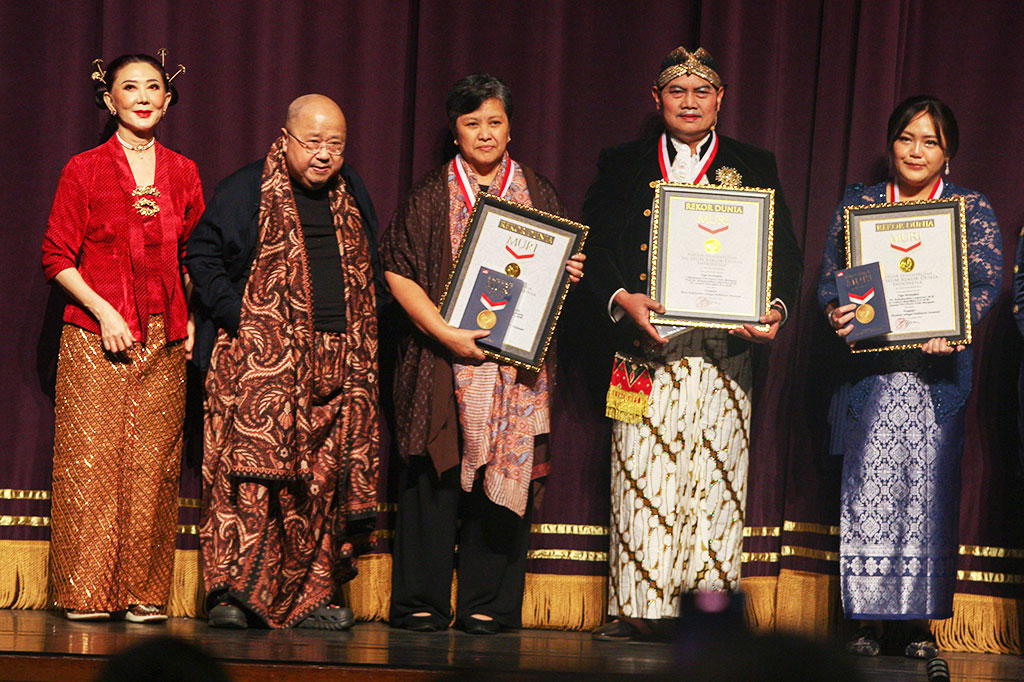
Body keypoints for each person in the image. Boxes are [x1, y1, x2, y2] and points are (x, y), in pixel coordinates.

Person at [583, 46, 803, 641]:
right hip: (642, 350)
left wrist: (774, 308)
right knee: (639, 478)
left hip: (723, 353)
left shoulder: (753, 163)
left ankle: (706, 614)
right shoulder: (623, 162)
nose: (688, 101)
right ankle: (637, 610)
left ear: (720, 100)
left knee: (716, 480)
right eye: (676, 91)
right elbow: (596, 249)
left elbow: (783, 252)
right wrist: (621, 299)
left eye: (700, 91)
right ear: (656, 101)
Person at [382, 74, 585, 635]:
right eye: (472, 124)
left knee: (503, 479)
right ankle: (419, 601)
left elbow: (558, 274)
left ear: (510, 126)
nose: (485, 133)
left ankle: (488, 604)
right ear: (455, 132)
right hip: (440, 361)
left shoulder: (539, 193)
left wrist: (569, 272)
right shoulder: (428, 195)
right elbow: (396, 270)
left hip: (514, 371)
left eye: (494, 122)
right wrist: (444, 334)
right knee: (434, 476)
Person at [185, 94, 382, 630]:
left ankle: (308, 599)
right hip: (259, 364)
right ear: (287, 137)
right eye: (313, 142)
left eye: (336, 144)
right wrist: (242, 318)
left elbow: (372, 270)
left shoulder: (352, 190)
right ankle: (230, 594)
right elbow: (200, 255)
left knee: (318, 486)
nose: (325, 155)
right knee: (248, 483)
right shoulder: (246, 187)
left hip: (338, 362)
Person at [817, 95, 1002, 658]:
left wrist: (957, 327)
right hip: (871, 379)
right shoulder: (861, 204)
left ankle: (919, 623)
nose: (916, 151)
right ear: (890, 142)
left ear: (949, 152)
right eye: (906, 137)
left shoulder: (969, 207)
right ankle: (867, 622)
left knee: (928, 494)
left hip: (936, 379)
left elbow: (987, 281)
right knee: (867, 491)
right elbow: (831, 278)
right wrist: (835, 309)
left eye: (930, 141)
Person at [40, 53, 203, 623]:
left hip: (163, 338)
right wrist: (104, 311)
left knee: (154, 466)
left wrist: (192, 323)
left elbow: (193, 258)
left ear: (167, 99)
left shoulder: (184, 171)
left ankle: (145, 592)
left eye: (152, 87)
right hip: (94, 335)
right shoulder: (82, 168)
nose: (142, 96)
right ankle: (85, 593)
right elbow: (56, 256)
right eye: (128, 87)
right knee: (93, 462)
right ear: (109, 100)